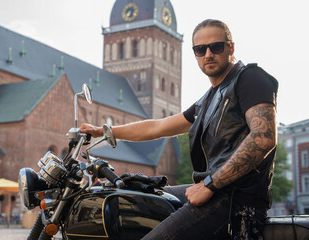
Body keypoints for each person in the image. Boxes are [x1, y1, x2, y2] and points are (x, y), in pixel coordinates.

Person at [79, 19, 278, 240]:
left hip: (236, 201)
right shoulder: (208, 100)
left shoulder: (250, 78)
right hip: (213, 189)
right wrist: (105, 131)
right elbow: (158, 126)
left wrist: (210, 185)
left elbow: (263, 138)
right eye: (200, 49)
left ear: (231, 47)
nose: (208, 54)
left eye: (216, 47)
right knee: (132, 197)